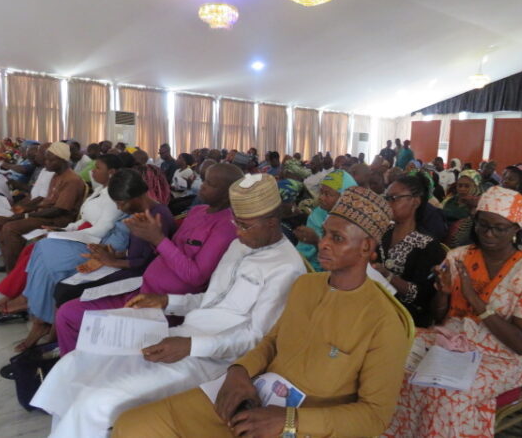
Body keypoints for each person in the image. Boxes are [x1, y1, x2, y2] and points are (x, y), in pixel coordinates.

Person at [112, 186, 409, 438]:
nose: (324, 244)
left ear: (366, 247)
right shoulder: (307, 285)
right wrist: (239, 372)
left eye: (337, 239)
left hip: (303, 423)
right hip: (253, 395)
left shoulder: (384, 322)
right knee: (132, 425)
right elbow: (271, 341)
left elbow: (374, 417)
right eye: (325, 234)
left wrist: (290, 420)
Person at [30, 173, 306, 438]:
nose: (238, 231)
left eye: (245, 226)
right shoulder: (239, 245)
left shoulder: (287, 268)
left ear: (272, 223)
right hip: (180, 336)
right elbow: (210, 300)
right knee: (75, 363)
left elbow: (256, 338)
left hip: (215, 362)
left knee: (100, 401)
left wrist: (191, 346)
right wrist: (167, 302)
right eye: (237, 223)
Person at [383, 186, 522, 437]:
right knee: (386, 361)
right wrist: (443, 293)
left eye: (499, 228)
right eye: (482, 225)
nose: (488, 233)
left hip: (502, 357)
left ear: (516, 229)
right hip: (450, 341)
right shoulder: (459, 257)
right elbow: (439, 318)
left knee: (444, 394)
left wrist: (475, 300)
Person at [55, 163, 243, 355]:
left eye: (210, 184)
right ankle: (75, 359)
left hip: (162, 305)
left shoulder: (226, 228)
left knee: (68, 315)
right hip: (141, 287)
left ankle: (76, 364)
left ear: (228, 193)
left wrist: (157, 239)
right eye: (204, 180)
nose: (202, 185)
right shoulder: (197, 211)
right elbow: (168, 251)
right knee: (68, 307)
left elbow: (195, 276)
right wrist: (129, 248)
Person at [17, 167, 175, 351]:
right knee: (63, 284)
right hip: (128, 266)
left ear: (136, 197)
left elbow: (148, 263)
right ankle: (53, 334)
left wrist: (113, 262)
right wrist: (112, 254)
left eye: (121, 203)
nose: (119, 208)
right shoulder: (141, 211)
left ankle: (57, 338)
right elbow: (139, 252)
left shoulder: (157, 217)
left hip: (138, 278)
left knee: (66, 290)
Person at [0, 154, 124, 322]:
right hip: (78, 233)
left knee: (39, 249)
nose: (92, 171)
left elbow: (101, 229)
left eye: (98, 168)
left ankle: (19, 300)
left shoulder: (114, 197)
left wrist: (66, 233)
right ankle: (16, 295)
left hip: (90, 241)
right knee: (31, 249)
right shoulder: (100, 190)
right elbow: (82, 219)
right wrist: (63, 230)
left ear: (111, 172)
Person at [0, 142, 86, 272]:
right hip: (45, 214)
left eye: (50, 160)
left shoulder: (72, 180)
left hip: (57, 220)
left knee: (10, 228)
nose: (46, 162)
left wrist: (26, 215)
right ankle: (10, 261)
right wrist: (26, 209)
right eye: (46, 159)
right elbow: (48, 201)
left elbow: (58, 210)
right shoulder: (56, 175)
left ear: (62, 160)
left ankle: (13, 271)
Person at [373, 174, 446, 326]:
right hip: (376, 303)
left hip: (405, 316)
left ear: (415, 201)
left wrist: (388, 275)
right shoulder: (383, 231)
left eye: (394, 198)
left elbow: (422, 296)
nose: (387, 203)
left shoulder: (427, 244)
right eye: (386, 198)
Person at [295, 170, 357, 271]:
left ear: (344, 198)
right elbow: (302, 251)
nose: (321, 197)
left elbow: (343, 260)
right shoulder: (318, 213)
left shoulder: (354, 222)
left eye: (327, 194)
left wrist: (316, 241)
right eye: (321, 192)